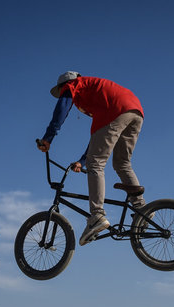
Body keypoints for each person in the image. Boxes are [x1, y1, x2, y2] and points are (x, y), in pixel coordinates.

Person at [37, 71, 146, 245]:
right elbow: (100, 138)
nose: (63, 95)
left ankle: (96, 216)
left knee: (96, 164)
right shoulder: (95, 93)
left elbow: (62, 109)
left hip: (117, 111)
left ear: (65, 85)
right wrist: (82, 160)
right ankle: (142, 209)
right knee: (121, 163)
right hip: (135, 111)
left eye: (62, 92)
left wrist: (48, 137)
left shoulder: (75, 84)